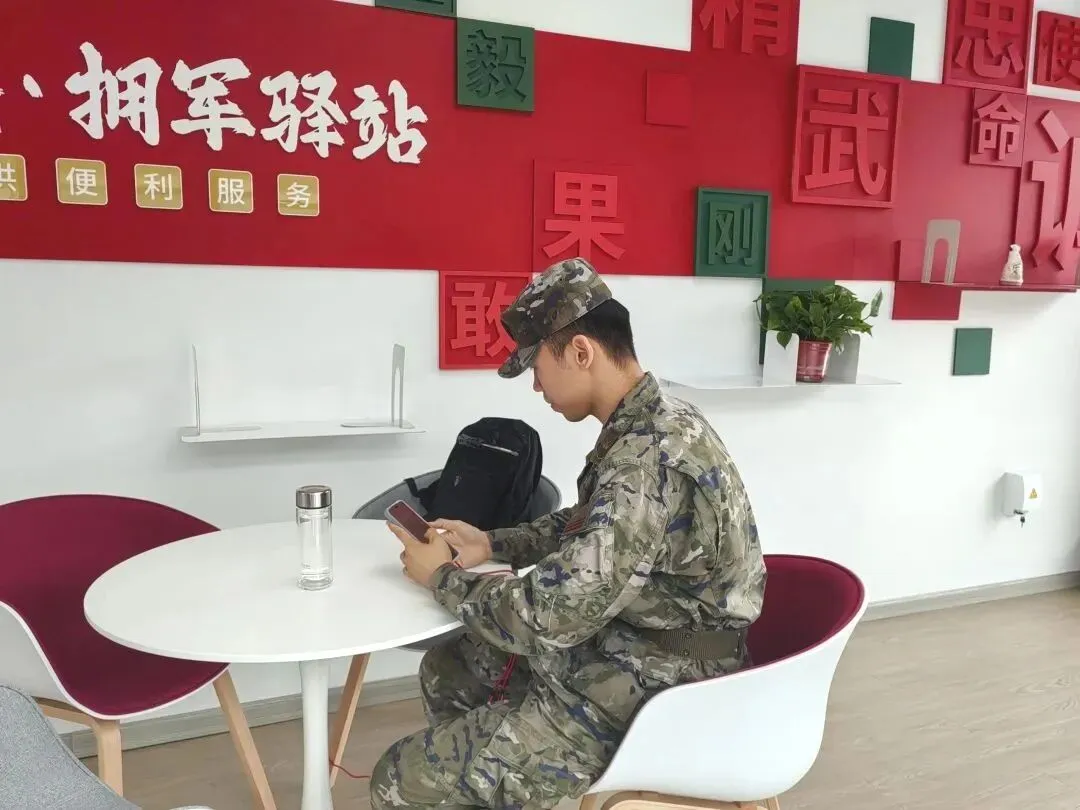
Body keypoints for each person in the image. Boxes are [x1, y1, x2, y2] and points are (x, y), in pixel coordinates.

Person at [375, 257, 766, 810]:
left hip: (662, 682)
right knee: (451, 669)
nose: (536, 385)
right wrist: (493, 543)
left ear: (581, 352)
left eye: (537, 367)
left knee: (395, 780)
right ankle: (496, 779)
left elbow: (550, 616)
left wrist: (440, 577)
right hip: (631, 645)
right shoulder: (654, 421)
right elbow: (587, 524)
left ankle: (500, 773)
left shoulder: (647, 458)